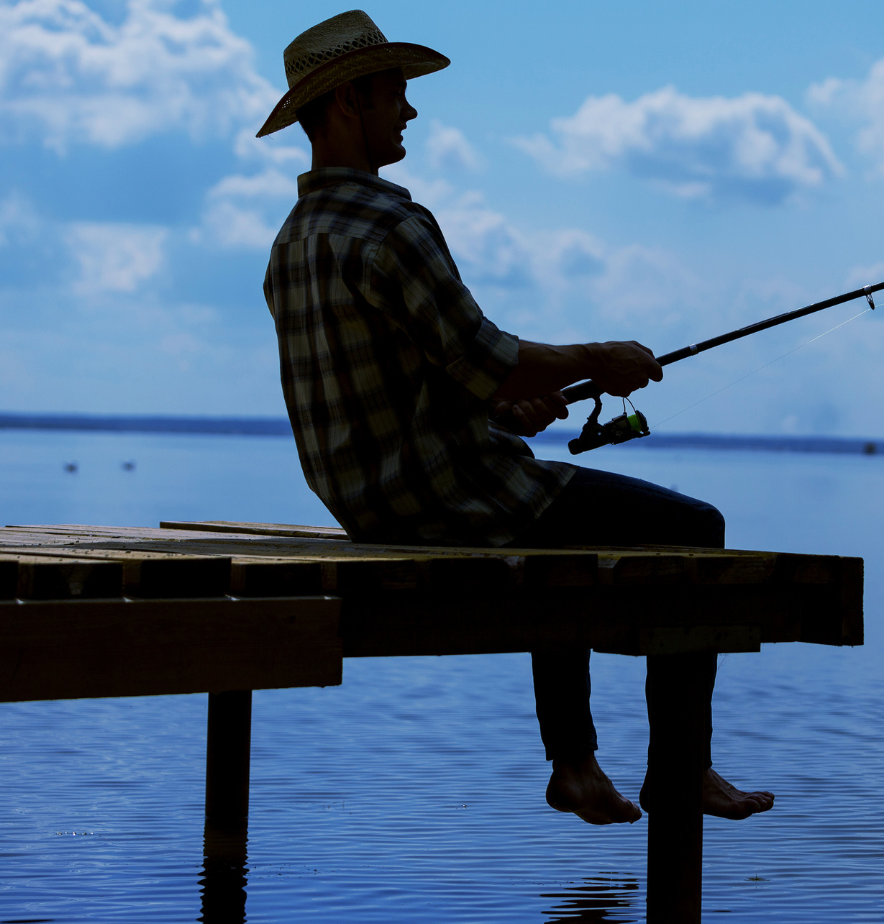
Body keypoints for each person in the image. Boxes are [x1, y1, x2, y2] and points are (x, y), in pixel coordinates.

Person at [256, 10, 773, 825]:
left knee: (549, 522)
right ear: (350, 101)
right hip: (444, 492)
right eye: (396, 93)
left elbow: (429, 372)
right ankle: (680, 769)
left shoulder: (291, 242)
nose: (411, 112)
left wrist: (499, 404)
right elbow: (486, 348)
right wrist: (599, 358)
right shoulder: (391, 223)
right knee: (696, 528)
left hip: (363, 503)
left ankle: (575, 764)